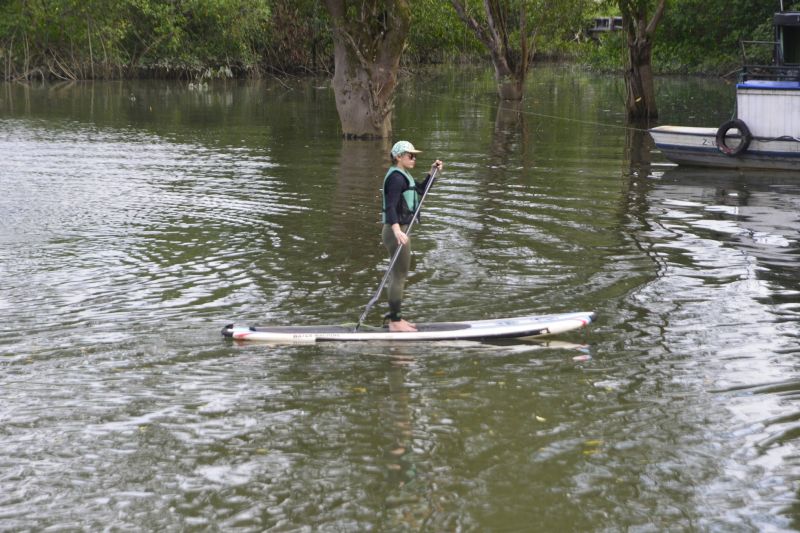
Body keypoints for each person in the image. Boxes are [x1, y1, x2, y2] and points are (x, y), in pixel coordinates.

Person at [382, 140, 443, 332]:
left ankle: (395, 317)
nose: (414, 159)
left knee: (399, 274)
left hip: (399, 231)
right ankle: (395, 322)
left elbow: (421, 191)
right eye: (410, 155)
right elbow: (390, 206)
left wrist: (432, 173)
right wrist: (397, 230)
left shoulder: (403, 176)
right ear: (399, 157)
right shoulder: (396, 179)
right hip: (397, 232)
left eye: (415, 156)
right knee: (399, 276)